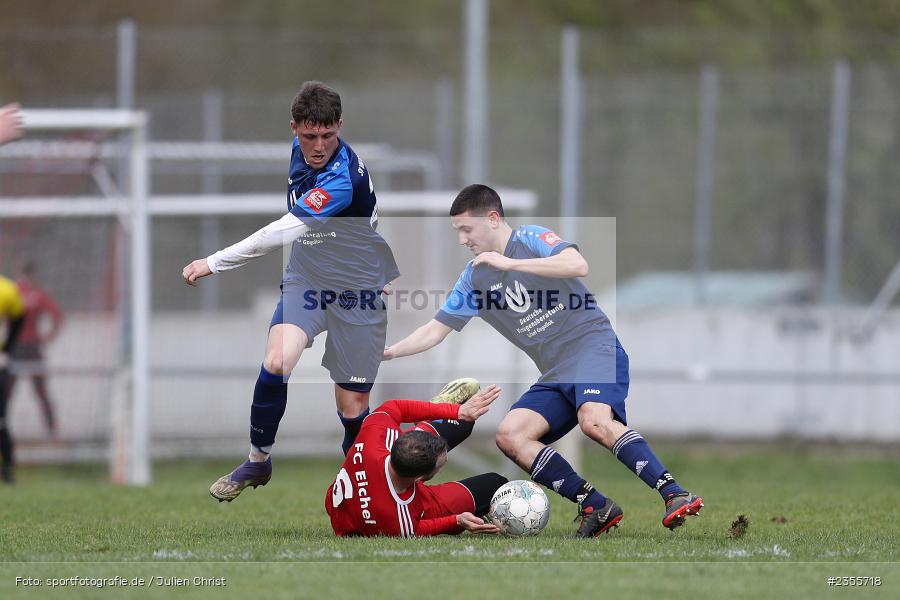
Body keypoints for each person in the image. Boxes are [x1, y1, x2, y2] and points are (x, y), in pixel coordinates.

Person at [384, 184, 703, 538]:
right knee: (510, 436)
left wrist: (510, 262)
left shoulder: (530, 238)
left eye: (466, 229)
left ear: (492, 219)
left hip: (592, 347)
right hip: (555, 371)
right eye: (457, 231)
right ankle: (595, 505)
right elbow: (435, 330)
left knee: (594, 421)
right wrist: (388, 352)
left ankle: (674, 492)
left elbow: (576, 264)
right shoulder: (474, 277)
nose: (462, 239)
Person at [181, 81, 400, 501]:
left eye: (327, 136)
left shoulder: (341, 180)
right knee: (278, 359)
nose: (318, 146)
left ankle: (366, 490)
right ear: (294, 129)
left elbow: (278, 233)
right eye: (309, 136)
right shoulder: (301, 152)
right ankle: (258, 460)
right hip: (309, 279)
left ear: (340, 126)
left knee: (352, 408)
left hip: (357, 290)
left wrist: (214, 262)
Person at [326, 379, 507, 537]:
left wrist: (458, 412)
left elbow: (395, 407)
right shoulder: (398, 517)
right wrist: (457, 520)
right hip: (401, 502)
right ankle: (425, 422)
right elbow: (418, 528)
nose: (445, 462)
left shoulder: (375, 435)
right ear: (420, 479)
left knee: (462, 423)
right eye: (441, 465)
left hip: (373, 484)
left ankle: (428, 421)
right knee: (496, 484)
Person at [6, 263, 63, 436]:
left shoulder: (12, 293)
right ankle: (52, 429)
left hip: (16, 347)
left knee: (6, 390)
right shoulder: (38, 294)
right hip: (33, 347)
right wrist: (48, 337)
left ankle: (3, 429)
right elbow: (57, 316)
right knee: (41, 390)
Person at [0, 272, 26, 483]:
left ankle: (8, 470)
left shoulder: (6, 289)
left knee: (0, 419)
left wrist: (7, 349)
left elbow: (19, 317)